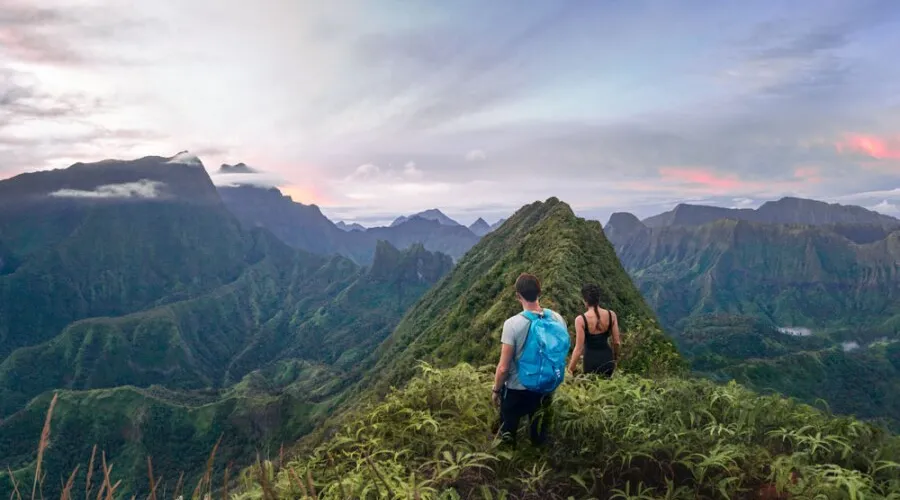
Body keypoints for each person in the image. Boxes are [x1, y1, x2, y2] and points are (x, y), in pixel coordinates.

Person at [491, 273, 568, 448]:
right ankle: (540, 459)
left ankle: (510, 461)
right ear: (540, 292)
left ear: (518, 296)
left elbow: (503, 368)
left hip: (516, 390)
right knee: (539, 436)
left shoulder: (512, 324)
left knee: (508, 436)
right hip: (545, 387)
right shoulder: (557, 319)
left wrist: (496, 390)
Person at [567, 283, 621, 378]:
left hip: (590, 361)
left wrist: (570, 369)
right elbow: (616, 342)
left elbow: (578, 349)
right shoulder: (611, 315)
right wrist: (615, 358)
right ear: (598, 298)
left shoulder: (580, 320)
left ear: (585, 300)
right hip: (607, 359)